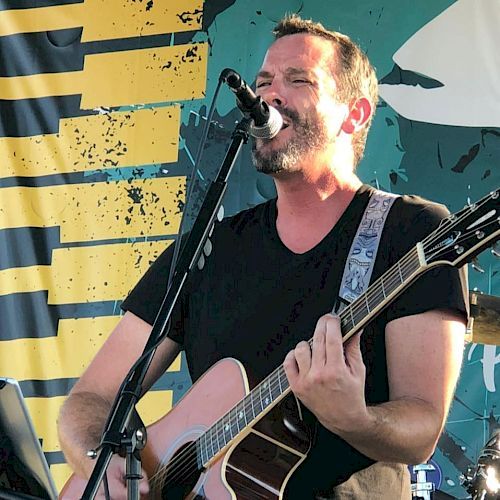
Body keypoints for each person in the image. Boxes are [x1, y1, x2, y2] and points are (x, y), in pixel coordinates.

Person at [57, 14, 468, 499]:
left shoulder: (410, 231)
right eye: (264, 82)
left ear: (353, 115)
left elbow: (422, 425)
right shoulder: (207, 250)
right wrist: (99, 462)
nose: (270, 95)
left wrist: (355, 418)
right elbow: (90, 399)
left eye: (299, 81)